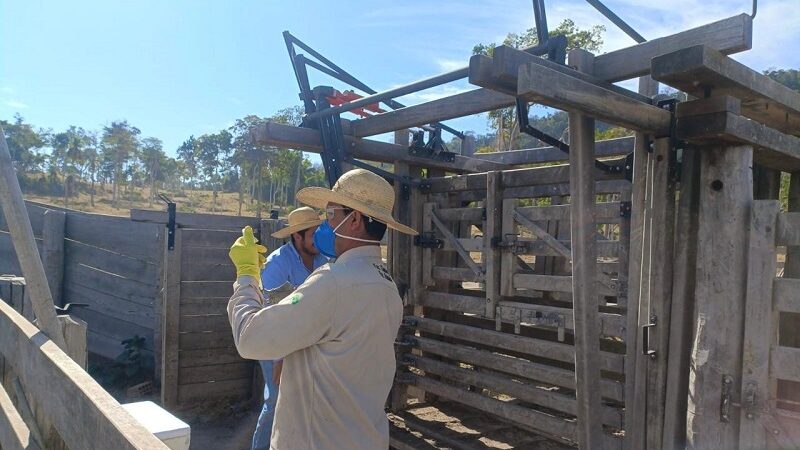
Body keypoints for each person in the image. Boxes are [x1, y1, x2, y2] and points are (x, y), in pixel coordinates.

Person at [227, 168, 418, 450]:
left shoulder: (333, 282)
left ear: (353, 219)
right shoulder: (387, 287)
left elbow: (250, 338)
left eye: (330, 215)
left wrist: (246, 276)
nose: (323, 226)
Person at [251, 207, 328, 450]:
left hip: (305, 341)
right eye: (313, 234)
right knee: (276, 399)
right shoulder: (278, 264)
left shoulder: (323, 261)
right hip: (276, 343)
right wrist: (280, 358)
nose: (318, 239)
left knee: (306, 401)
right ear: (297, 236)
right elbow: (271, 316)